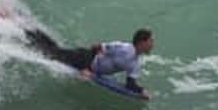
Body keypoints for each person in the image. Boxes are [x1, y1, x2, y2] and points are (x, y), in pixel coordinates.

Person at [24, 27, 154, 99]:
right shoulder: (123, 48)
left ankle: (29, 32)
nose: (153, 44)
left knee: (54, 51)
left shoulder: (137, 62)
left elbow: (130, 83)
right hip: (84, 57)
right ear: (142, 42)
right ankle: (23, 30)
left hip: (90, 67)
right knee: (51, 53)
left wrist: (141, 91)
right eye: (151, 41)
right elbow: (96, 47)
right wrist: (87, 68)